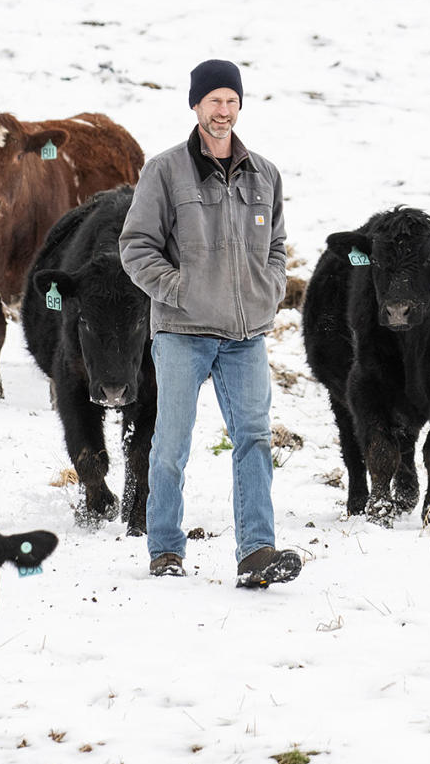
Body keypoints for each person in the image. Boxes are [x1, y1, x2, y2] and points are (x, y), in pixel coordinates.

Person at [120, 58, 302, 588]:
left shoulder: (265, 174)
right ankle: (166, 549)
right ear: (195, 104)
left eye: (231, 100)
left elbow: (276, 247)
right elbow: (135, 247)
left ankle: (256, 552)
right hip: (182, 332)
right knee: (171, 443)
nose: (223, 111)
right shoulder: (164, 170)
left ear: (240, 105)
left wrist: (268, 290)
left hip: (246, 337)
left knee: (255, 439)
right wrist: (177, 291)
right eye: (213, 100)